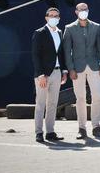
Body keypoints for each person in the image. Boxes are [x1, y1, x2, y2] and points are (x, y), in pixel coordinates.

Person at [63, 3, 100, 139]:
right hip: (77, 68)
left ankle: (96, 126)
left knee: (97, 96)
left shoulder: (96, 27)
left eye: (85, 9)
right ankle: (81, 128)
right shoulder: (69, 29)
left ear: (88, 10)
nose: (83, 11)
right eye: (80, 10)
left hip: (94, 66)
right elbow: (66, 51)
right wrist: (70, 69)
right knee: (80, 98)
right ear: (76, 12)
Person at [32, 8, 68, 143]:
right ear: (46, 18)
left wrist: (64, 71)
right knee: (40, 104)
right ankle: (39, 132)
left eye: (56, 16)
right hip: (44, 74)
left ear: (59, 18)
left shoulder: (59, 32)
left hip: (57, 72)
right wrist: (40, 74)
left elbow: (61, 54)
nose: (54, 18)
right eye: (51, 16)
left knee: (52, 104)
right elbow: (35, 55)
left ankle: (50, 131)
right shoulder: (39, 33)